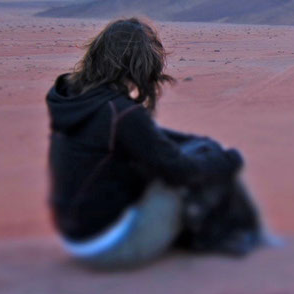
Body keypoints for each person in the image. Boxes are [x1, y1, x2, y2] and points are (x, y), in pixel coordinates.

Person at [45, 17, 271, 270]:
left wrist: (194, 142)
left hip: (75, 236)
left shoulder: (77, 100)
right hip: (110, 246)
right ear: (140, 64)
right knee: (196, 170)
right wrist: (228, 159)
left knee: (194, 152)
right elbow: (180, 170)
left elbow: (147, 137)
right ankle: (232, 236)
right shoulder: (121, 113)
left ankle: (235, 232)